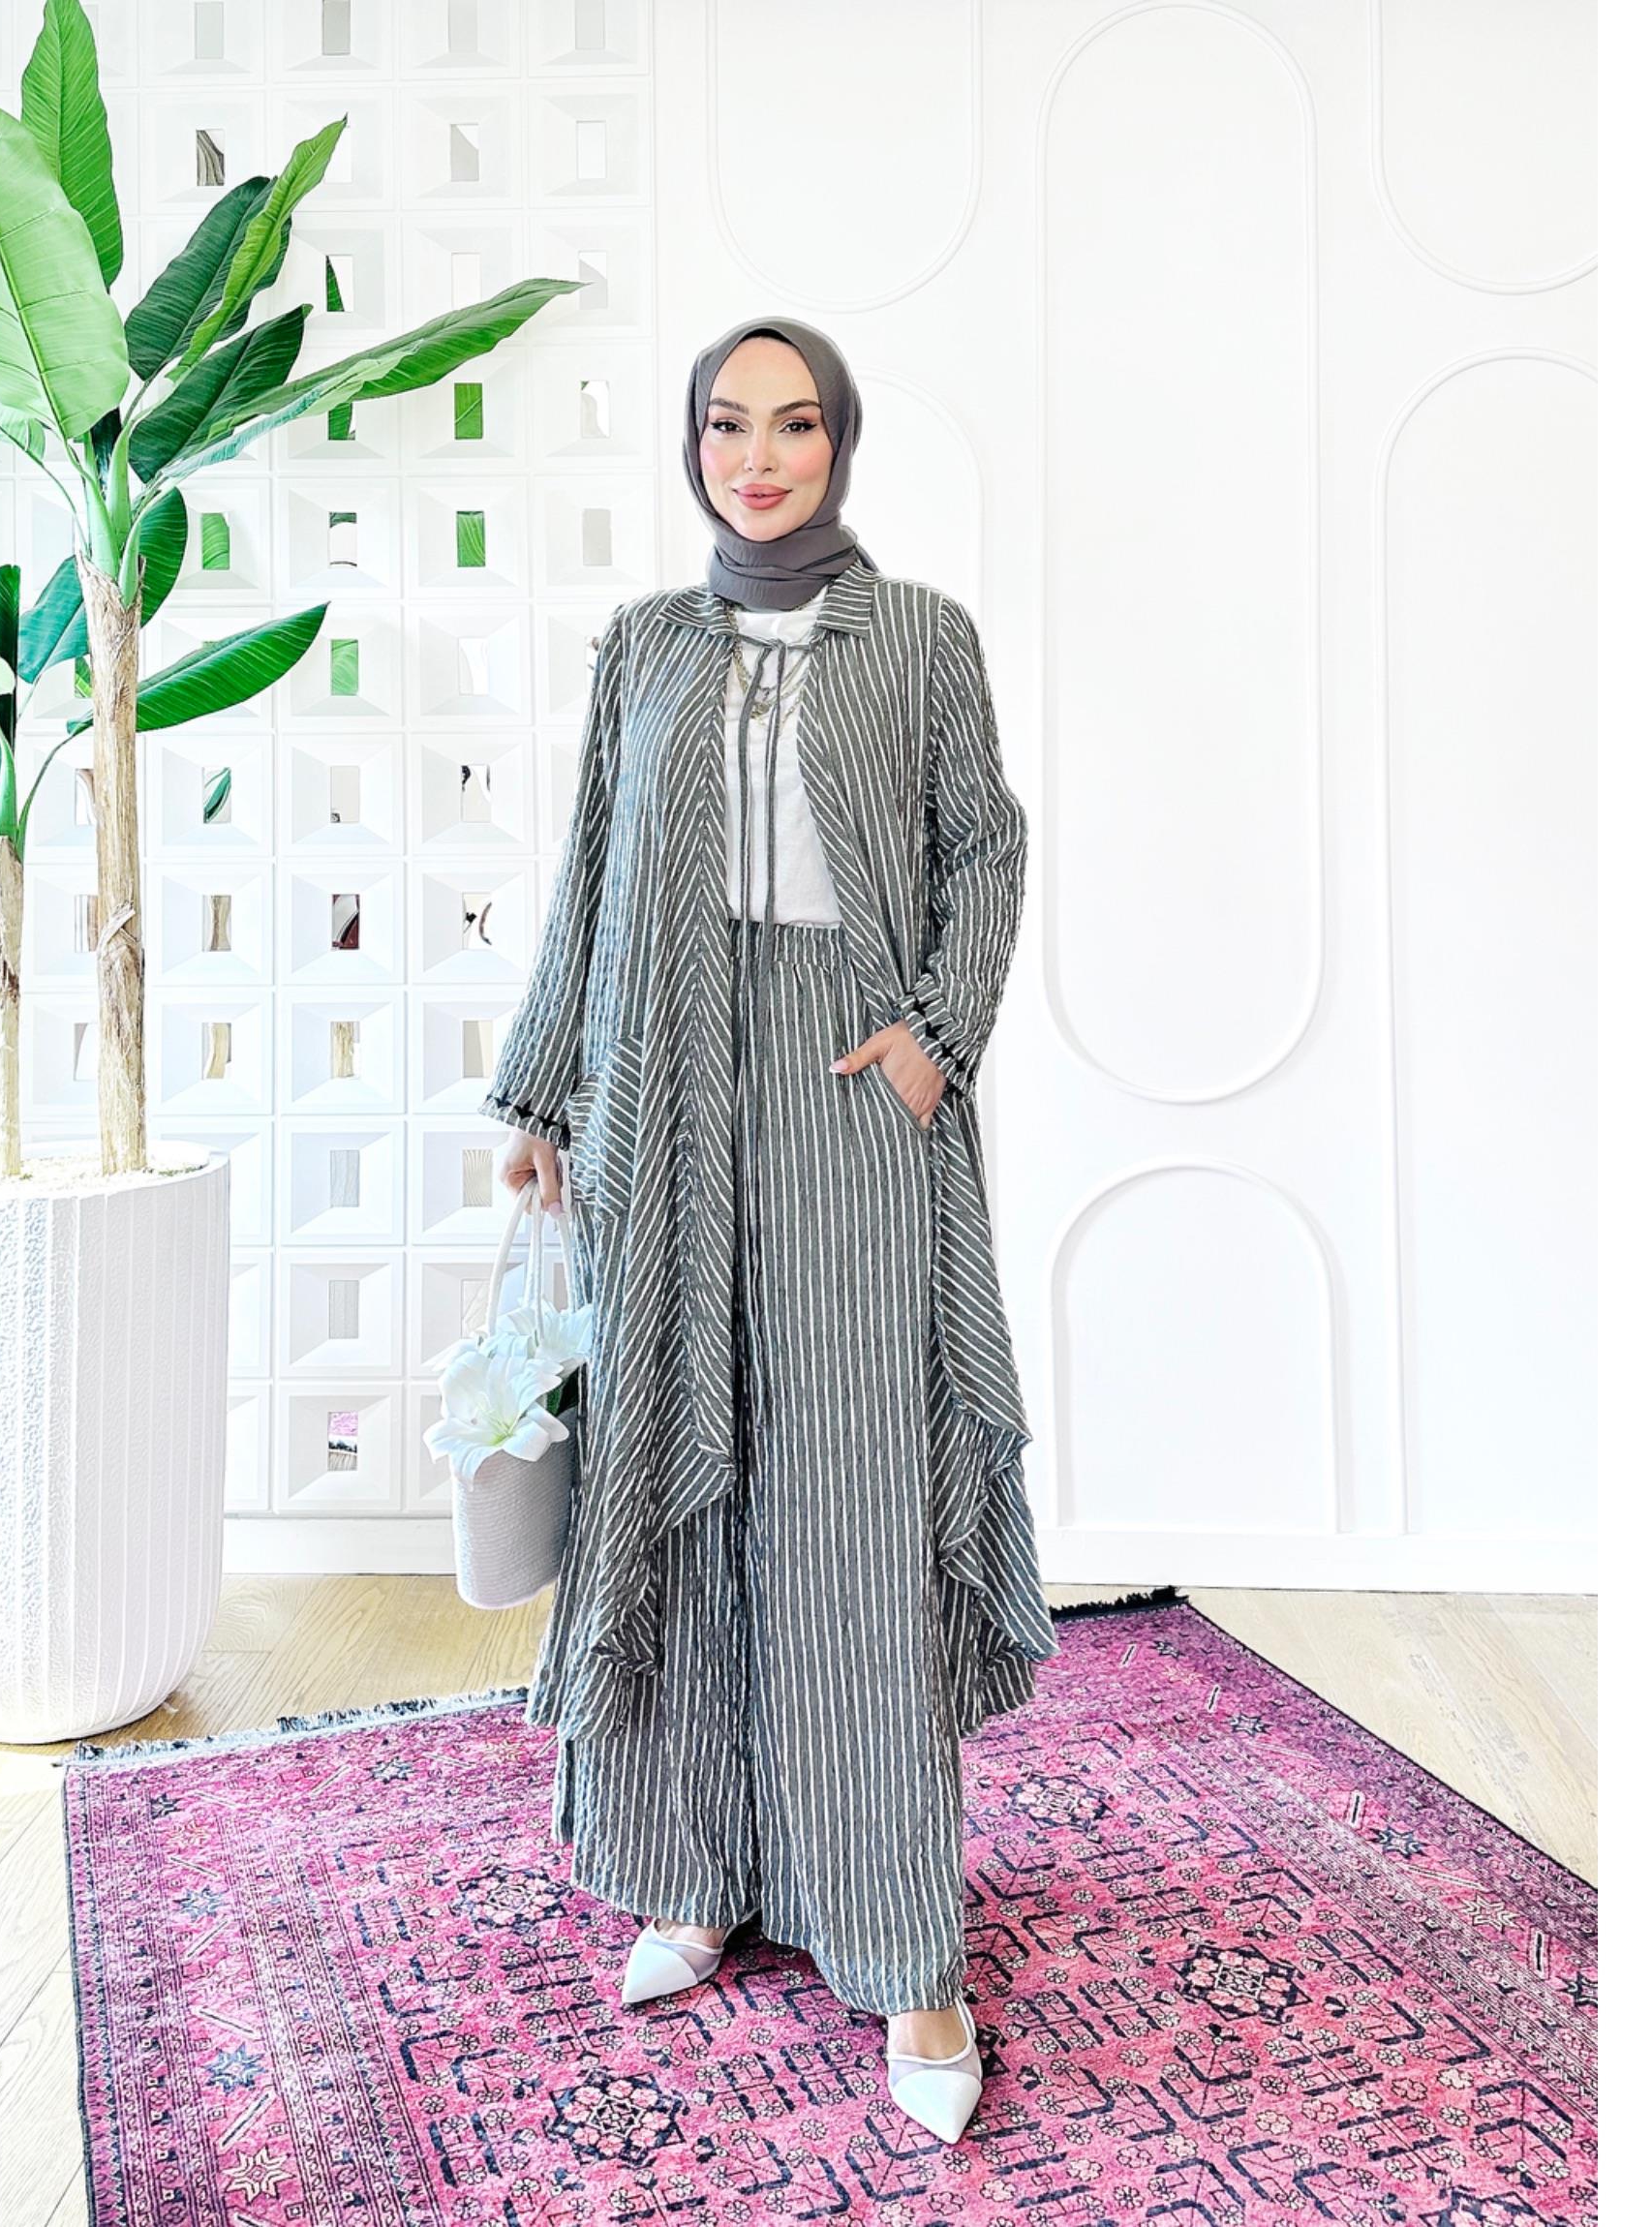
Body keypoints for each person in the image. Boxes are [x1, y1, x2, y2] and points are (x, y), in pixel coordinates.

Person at [487, 314, 1056, 2145]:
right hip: (661, 1072)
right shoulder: (647, 647)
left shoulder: (922, 639)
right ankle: (697, 1870)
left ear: (840, 443)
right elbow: (590, 868)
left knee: (849, 1503)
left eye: (794, 425)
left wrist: (938, 1035)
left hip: (843, 1075)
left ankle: (904, 1944)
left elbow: (987, 846)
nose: (759, 456)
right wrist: (542, 1093)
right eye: (728, 425)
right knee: (680, 1468)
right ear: (693, 448)